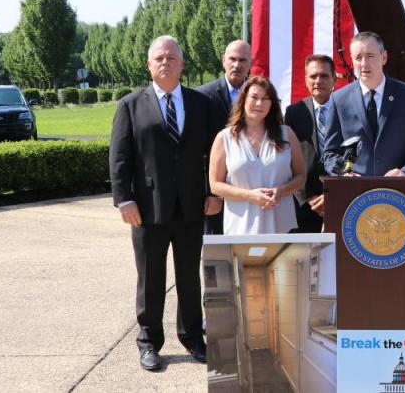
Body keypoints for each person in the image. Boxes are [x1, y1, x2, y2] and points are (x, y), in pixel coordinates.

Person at [110, 35, 221, 371]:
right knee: (151, 278)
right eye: (159, 58)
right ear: (148, 64)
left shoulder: (201, 104)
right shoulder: (130, 105)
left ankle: (192, 338)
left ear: (181, 64)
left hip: (192, 208)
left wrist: (214, 192)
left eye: (172, 58)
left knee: (189, 276)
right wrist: (124, 200)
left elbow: (215, 153)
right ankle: (149, 342)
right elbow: (119, 158)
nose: (165, 63)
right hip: (146, 210)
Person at [320, 31, 405, 177]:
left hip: (397, 192)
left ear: (384, 57)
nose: (364, 63)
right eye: (358, 58)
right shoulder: (339, 99)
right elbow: (330, 153)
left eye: (370, 56)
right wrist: (342, 172)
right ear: (352, 60)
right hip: (355, 192)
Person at [209, 75, 307, 234]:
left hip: (280, 225)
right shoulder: (224, 138)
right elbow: (215, 185)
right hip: (240, 228)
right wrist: (250, 196)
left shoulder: (286, 134)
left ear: (272, 104)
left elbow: (301, 176)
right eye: (254, 97)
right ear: (243, 100)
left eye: (266, 99)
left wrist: (282, 190)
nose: (259, 103)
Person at [197, 39, 252, 235]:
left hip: (251, 189)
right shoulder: (202, 97)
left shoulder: (259, 94)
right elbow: (198, 150)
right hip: (216, 192)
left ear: (250, 63)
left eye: (243, 60)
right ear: (223, 61)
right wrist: (210, 193)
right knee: (218, 254)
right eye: (232, 59)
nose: (237, 65)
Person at [284, 54, 337, 233]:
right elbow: (287, 160)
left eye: (324, 76)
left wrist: (334, 195)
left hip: (341, 199)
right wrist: (307, 197)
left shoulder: (347, 108)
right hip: (305, 204)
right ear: (306, 80)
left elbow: (354, 155)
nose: (318, 81)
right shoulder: (294, 112)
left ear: (334, 78)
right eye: (313, 76)